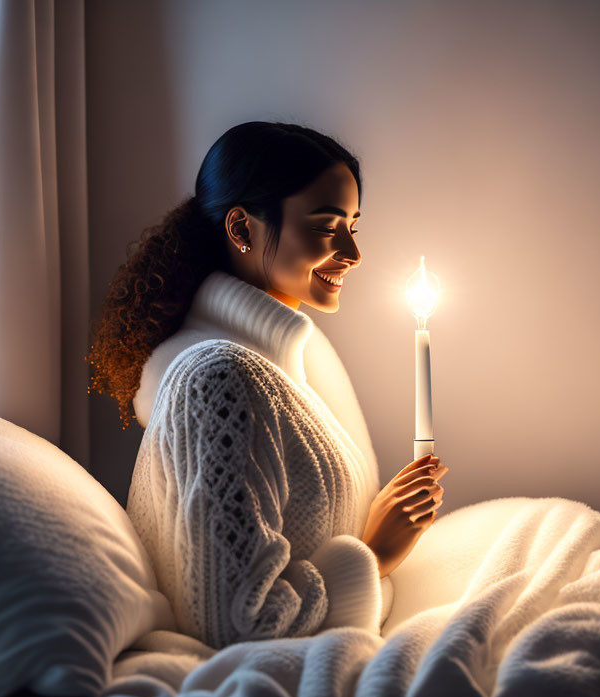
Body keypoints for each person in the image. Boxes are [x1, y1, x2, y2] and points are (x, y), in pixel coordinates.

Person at [87, 121, 450, 650]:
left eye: (354, 225)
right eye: (329, 228)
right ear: (242, 230)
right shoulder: (216, 381)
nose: (353, 252)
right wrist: (373, 556)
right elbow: (236, 622)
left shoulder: (294, 365)